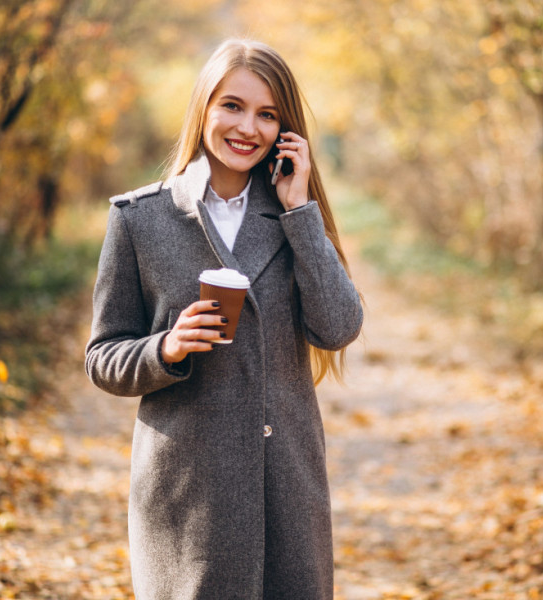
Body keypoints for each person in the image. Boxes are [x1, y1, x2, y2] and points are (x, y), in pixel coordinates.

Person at [85, 38, 363, 600]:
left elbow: (338, 326)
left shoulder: (295, 216)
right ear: (204, 109)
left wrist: (300, 212)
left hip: (285, 483)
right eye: (232, 106)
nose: (247, 128)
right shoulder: (141, 219)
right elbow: (102, 357)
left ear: (285, 131)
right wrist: (165, 348)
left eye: (267, 114)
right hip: (186, 493)